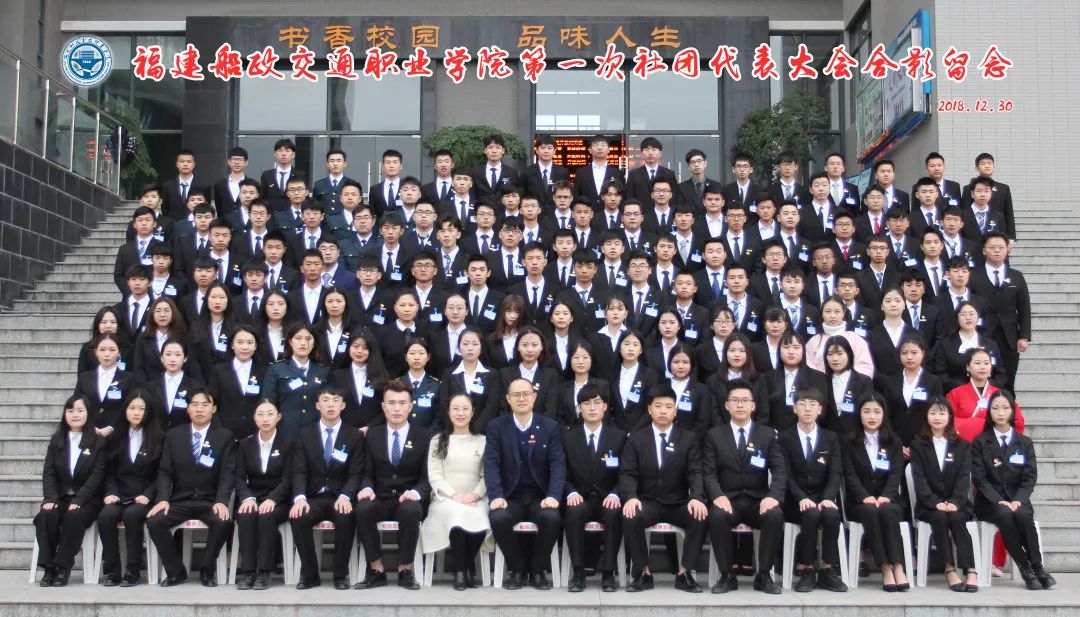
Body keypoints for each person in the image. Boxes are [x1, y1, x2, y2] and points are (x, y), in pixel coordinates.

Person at [619, 385, 708, 593]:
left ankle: (685, 573)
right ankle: (643, 572)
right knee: (630, 514)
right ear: (649, 409)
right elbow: (627, 473)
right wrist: (631, 496)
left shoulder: (688, 438)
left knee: (700, 514)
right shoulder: (636, 438)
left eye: (669, 406)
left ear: (676, 411)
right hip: (648, 502)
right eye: (658, 406)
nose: (663, 411)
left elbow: (695, 471)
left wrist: (696, 497)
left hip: (678, 503)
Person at [703, 379, 786, 595]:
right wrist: (717, 495)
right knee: (717, 515)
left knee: (775, 515)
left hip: (757, 501)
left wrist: (773, 496)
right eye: (735, 400)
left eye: (745, 400)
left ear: (753, 405)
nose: (740, 404)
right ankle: (726, 575)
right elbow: (709, 472)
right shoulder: (714, 435)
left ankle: (764, 575)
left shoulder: (767, 434)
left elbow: (779, 469)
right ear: (727, 405)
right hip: (728, 500)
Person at [146, 388, 235, 587]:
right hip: (180, 500)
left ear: (214, 409)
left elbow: (227, 473)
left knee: (222, 522)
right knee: (155, 521)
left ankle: (206, 570)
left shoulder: (224, 436)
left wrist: (222, 501)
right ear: (188, 409)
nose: (199, 409)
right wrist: (163, 499)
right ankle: (176, 571)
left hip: (209, 501)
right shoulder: (174, 435)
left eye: (205, 405)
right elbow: (165, 471)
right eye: (194, 405)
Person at [483, 378, 566, 590]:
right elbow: (491, 464)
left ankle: (538, 570)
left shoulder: (550, 427)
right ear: (508, 399)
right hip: (510, 497)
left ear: (534, 397)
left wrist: (553, 496)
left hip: (540, 496)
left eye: (526, 394)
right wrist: (496, 496)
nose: (522, 399)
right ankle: (517, 569)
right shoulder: (496, 427)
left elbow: (557, 464)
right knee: (499, 518)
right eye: (516, 395)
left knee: (551, 518)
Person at [353, 380, 433, 591]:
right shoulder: (372, 435)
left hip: (408, 498)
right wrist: (367, 487)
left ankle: (405, 569)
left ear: (411, 406)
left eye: (402, 403)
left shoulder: (424, 436)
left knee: (411, 509)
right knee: (363, 507)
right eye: (391, 403)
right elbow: (366, 472)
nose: (397, 408)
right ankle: (376, 569)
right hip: (380, 497)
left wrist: (415, 492)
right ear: (383, 406)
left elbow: (427, 478)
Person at [971, 390, 1055, 590]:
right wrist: (998, 500)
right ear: (989, 412)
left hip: (1018, 499)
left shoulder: (1024, 442)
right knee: (1005, 515)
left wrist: (1018, 499)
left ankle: (1038, 567)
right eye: (995, 408)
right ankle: (1026, 568)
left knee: (1024, 516)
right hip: (990, 502)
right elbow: (979, 478)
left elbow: (1029, 477)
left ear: (1012, 411)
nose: (1000, 413)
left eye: (1005, 408)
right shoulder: (981, 441)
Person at [289, 386, 365, 589]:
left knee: (346, 516)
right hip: (313, 496)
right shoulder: (305, 434)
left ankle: (340, 575)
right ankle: (310, 574)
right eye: (325, 400)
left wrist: (346, 496)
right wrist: (300, 498)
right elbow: (299, 471)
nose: (331, 405)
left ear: (343, 405)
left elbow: (356, 473)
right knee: (298, 516)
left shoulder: (354, 435)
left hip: (340, 496)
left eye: (336, 400)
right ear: (317, 405)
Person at [778, 388, 848, 593]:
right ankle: (806, 568)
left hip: (822, 496)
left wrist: (828, 497)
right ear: (794, 408)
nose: (807, 409)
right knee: (811, 514)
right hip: (795, 500)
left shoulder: (831, 437)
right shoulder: (784, 438)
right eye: (802, 404)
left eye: (812, 404)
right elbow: (785, 473)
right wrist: (800, 497)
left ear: (820, 410)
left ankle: (827, 569)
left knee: (832, 515)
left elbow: (836, 473)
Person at [33, 394, 106, 586]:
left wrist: (79, 499)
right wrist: (51, 498)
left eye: (80, 410)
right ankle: (49, 567)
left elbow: (97, 476)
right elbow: (49, 472)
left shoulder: (97, 442)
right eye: (71, 410)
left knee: (75, 516)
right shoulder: (57, 440)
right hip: (60, 497)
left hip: (87, 499)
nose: (75, 415)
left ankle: (63, 567)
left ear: (88, 414)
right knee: (46, 515)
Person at [420, 393, 491, 590]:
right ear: (449, 412)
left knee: (480, 516)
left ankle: (465, 566)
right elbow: (435, 475)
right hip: (445, 498)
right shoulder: (438, 440)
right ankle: (460, 571)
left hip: (476, 498)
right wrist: (455, 496)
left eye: (465, 409)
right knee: (456, 515)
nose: (460, 413)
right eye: (456, 409)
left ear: (472, 413)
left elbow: (487, 475)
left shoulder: (482, 440)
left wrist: (475, 495)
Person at [909, 397, 978, 592]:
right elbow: (919, 480)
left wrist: (955, 501)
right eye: (932, 413)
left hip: (958, 503)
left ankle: (970, 569)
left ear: (950, 416)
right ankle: (949, 568)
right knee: (939, 516)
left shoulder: (962, 446)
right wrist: (934, 502)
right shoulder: (917, 445)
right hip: (929, 506)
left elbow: (964, 478)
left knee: (956, 517)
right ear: (926, 416)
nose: (937, 417)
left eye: (942, 413)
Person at [842, 393, 910, 591]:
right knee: (871, 511)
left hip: (889, 499)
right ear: (859, 414)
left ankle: (898, 565)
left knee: (888, 511)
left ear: (884, 414)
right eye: (866, 411)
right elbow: (849, 474)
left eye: (877, 412)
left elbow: (896, 474)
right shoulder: (849, 442)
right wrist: (864, 496)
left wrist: (886, 496)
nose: (872, 416)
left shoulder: (894, 441)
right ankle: (885, 567)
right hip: (860, 501)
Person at [562, 385, 626, 592]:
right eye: (586, 403)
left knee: (614, 513)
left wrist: (616, 493)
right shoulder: (567, 437)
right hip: (579, 496)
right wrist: (570, 491)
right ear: (579, 408)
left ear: (605, 407)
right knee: (573, 512)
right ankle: (578, 572)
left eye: (597, 403)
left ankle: (608, 573)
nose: (592, 408)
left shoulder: (619, 437)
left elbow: (626, 473)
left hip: (608, 496)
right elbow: (560, 471)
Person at [96, 390, 163, 586]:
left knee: (132, 515)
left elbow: (163, 473)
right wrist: (110, 493)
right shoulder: (115, 437)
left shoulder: (159, 437)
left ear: (149, 411)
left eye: (142, 408)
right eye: (132, 408)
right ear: (125, 410)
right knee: (105, 516)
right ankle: (112, 570)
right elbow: (108, 472)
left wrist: (148, 494)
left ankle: (133, 569)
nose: (136, 412)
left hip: (145, 496)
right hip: (120, 494)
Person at [233, 400, 293, 590]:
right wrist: (247, 497)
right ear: (254, 418)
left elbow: (289, 478)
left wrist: (273, 499)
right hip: (253, 496)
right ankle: (248, 572)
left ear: (278, 417)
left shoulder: (288, 444)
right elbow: (239, 477)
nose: (265, 419)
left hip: (279, 500)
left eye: (270, 414)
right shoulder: (245, 444)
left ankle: (264, 572)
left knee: (267, 516)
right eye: (260, 414)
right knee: (246, 514)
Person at [970, 231, 1030, 392]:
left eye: (1001, 247)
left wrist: (1024, 336)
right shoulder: (973, 276)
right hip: (983, 333)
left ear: (1007, 250)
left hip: (1009, 336)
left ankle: (1008, 407)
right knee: (983, 378)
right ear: (984, 250)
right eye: (992, 247)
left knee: (1009, 379)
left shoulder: (1016, 276)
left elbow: (1024, 307)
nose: (997, 250)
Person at [262, 323, 330, 438]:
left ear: (314, 343)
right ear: (290, 341)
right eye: (298, 338)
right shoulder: (276, 369)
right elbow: (268, 402)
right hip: (284, 432)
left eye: (308, 339)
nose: (303, 343)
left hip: (315, 432)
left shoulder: (323, 371)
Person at [878, 334, 944, 448]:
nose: (909, 357)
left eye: (914, 353)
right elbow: (887, 414)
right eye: (904, 353)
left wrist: (922, 441)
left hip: (925, 441)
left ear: (923, 353)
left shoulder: (933, 381)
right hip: (896, 442)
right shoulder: (890, 381)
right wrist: (896, 443)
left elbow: (936, 413)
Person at [947, 348, 1026, 442]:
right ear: (968, 367)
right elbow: (947, 420)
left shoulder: (1001, 394)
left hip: (995, 445)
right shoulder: (955, 393)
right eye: (977, 363)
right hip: (964, 445)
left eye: (986, 363)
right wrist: (977, 424)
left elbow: (1017, 421)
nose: (982, 367)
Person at [73, 333, 141, 437]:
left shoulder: (129, 379)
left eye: (112, 350)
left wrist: (112, 427)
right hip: (89, 435)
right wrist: (90, 427)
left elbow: (131, 407)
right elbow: (77, 405)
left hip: (119, 436)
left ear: (119, 352)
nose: (107, 354)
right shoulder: (84, 378)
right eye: (102, 350)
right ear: (96, 352)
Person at [208, 325, 268, 440]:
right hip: (225, 433)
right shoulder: (218, 371)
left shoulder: (264, 372)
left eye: (250, 343)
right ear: (232, 345)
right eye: (240, 342)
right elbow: (213, 401)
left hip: (256, 433)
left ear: (255, 346)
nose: (245, 347)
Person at [932, 301, 1007, 391]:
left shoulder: (991, 344)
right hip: (956, 392)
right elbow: (940, 374)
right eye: (963, 314)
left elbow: (1001, 374)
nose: (968, 318)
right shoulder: (945, 344)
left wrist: (983, 386)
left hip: (987, 392)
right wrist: (964, 388)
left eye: (971, 314)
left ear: (978, 317)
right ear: (957, 318)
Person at [438, 329, 499, 434]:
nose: (470, 348)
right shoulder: (449, 374)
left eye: (475, 344)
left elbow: (491, 407)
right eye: (465, 344)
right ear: (459, 348)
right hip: (454, 432)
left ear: (481, 348)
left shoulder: (492, 375)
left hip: (482, 433)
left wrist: (475, 430)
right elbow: (444, 404)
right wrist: (457, 429)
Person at [766, 332, 829, 432]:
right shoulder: (767, 378)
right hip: (774, 434)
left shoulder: (818, 378)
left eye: (796, 347)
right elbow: (763, 411)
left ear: (803, 351)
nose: (791, 352)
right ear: (779, 350)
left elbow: (822, 411)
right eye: (786, 347)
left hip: (806, 433)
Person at [330, 330, 389, 429]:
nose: (359, 351)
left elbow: (386, 407)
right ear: (349, 347)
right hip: (345, 431)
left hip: (373, 431)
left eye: (365, 348)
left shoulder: (381, 377)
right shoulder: (337, 376)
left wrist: (368, 427)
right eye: (355, 346)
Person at [498, 325, 559, 418]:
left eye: (534, 345)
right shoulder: (505, 374)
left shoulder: (550, 375)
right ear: (518, 347)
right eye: (525, 345)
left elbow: (550, 410)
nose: (530, 350)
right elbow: (503, 408)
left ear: (542, 347)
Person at [804, 297, 874, 377]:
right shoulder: (814, 341)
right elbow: (807, 366)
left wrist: (847, 380)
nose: (832, 316)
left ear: (843, 313)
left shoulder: (855, 339)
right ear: (822, 313)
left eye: (837, 311)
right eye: (827, 311)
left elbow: (865, 366)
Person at [148, 339, 204, 430]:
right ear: (161, 358)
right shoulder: (150, 387)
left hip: (184, 436)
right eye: (168, 354)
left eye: (178, 355)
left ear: (185, 358)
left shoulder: (195, 387)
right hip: (156, 436)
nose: (172, 359)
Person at [609, 331, 658, 432]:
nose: (631, 348)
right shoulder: (611, 374)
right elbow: (608, 407)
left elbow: (651, 406)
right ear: (619, 347)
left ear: (641, 350)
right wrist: (616, 432)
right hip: (615, 432)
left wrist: (636, 432)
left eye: (635, 345)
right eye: (626, 344)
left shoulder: (650, 375)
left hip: (641, 432)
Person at [132, 297, 190, 382]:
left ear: (173, 313)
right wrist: (146, 387)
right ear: (152, 314)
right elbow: (138, 367)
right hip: (149, 386)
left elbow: (189, 365)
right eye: (158, 311)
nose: (162, 314)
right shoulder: (143, 338)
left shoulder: (182, 337)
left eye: (167, 310)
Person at [557, 341, 611, 427]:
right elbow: (559, 416)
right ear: (570, 360)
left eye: (585, 357)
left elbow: (606, 415)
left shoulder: (602, 385)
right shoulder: (562, 387)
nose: (580, 361)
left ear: (591, 359)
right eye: (576, 357)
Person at [78, 307, 129, 374]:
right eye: (104, 322)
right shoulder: (87, 348)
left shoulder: (128, 348)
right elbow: (82, 375)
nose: (108, 326)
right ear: (98, 325)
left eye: (113, 322)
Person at [486, 294, 525, 370]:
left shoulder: (526, 337)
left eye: (517, 312)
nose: (512, 316)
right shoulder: (491, 340)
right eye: (509, 311)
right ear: (503, 312)